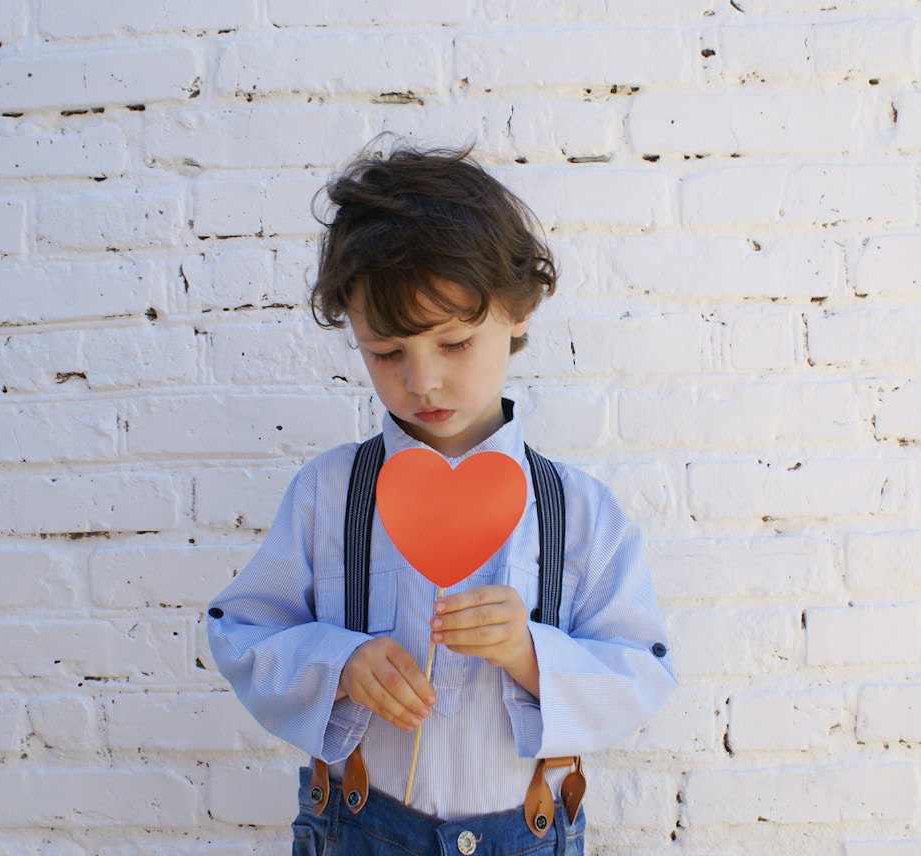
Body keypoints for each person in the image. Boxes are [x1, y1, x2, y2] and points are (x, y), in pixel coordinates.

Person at [206, 145, 677, 855]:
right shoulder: (329, 496)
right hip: (362, 828)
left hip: (526, 831)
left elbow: (643, 671)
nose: (421, 381)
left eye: (453, 343)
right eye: (387, 353)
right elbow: (241, 633)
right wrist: (338, 663)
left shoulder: (578, 512)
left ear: (518, 313)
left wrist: (528, 653)